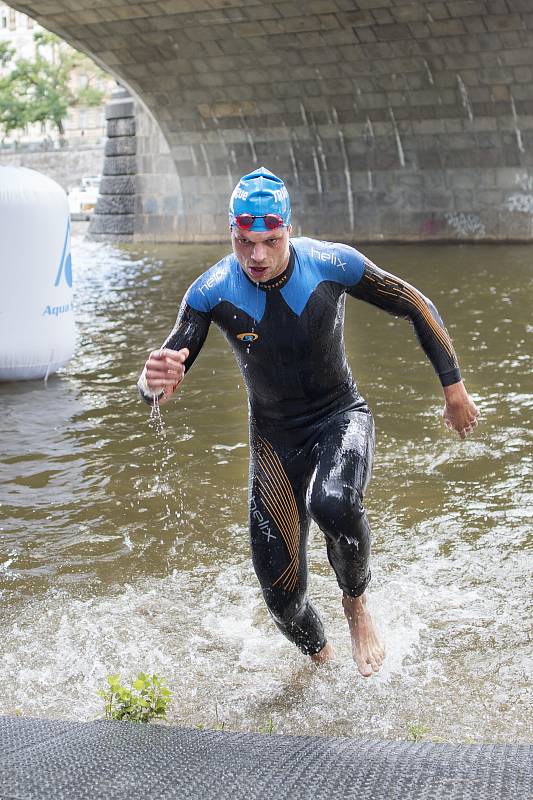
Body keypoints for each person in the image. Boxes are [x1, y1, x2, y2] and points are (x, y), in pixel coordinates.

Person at [138, 167, 479, 677]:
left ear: (288, 232)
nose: (256, 256)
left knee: (333, 501)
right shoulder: (210, 291)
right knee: (281, 598)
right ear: (232, 232)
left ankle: (355, 602)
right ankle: (323, 663)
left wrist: (454, 389)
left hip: (339, 417)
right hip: (275, 440)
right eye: (244, 241)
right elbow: (161, 375)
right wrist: (153, 383)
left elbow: (416, 305)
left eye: (269, 241)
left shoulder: (331, 263)